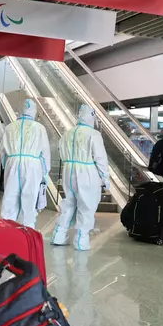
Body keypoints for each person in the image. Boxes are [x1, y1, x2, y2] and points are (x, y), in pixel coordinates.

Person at [52, 105, 109, 251]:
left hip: (68, 169)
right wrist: (105, 177)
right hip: (87, 170)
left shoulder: (67, 133)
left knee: (69, 202)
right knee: (86, 204)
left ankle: (59, 234)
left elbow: (61, 152)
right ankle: (81, 240)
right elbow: (100, 157)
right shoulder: (93, 134)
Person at [0, 98, 51, 229]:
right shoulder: (40, 128)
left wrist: (6, 165)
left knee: (10, 197)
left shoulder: (9, 127)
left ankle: (6, 231)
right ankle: (27, 231)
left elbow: (2, 150)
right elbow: (45, 152)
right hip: (32, 164)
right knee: (29, 197)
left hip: (13, 161)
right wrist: (45, 172)